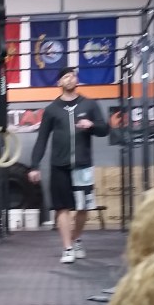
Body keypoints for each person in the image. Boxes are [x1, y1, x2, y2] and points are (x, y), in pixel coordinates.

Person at [28, 67, 109, 263]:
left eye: (73, 76)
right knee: (62, 208)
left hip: (82, 165)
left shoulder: (89, 104)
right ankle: (68, 248)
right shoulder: (51, 110)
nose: (70, 78)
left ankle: (75, 239)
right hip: (59, 166)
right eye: (66, 76)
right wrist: (34, 165)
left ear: (76, 81)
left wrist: (92, 125)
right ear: (59, 83)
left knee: (83, 208)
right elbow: (42, 139)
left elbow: (104, 129)